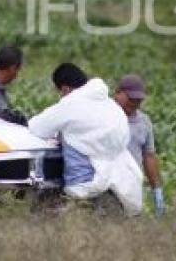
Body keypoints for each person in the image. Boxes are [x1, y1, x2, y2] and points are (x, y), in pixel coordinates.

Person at [28, 63, 143, 215]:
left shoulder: (70, 104)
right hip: (120, 183)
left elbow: (37, 127)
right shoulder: (112, 106)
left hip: (84, 184)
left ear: (64, 89)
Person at [113, 73, 165, 216]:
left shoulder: (144, 122)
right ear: (118, 93)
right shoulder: (106, 116)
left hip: (133, 185)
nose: (135, 103)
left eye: (138, 100)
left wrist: (157, 191)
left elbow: (149, 156)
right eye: (131, 98)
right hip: (108, 185)